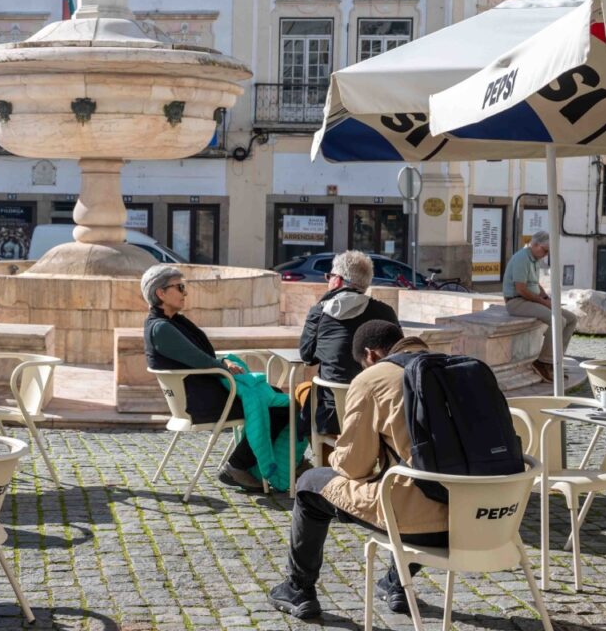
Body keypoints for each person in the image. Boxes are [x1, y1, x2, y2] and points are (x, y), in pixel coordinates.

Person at [269, 321, 447, 620]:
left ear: (371, 355)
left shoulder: (375, 379)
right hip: (489, 519)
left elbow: (355, 467)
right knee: (417, 480)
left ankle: (298, 588)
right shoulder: (455, 369)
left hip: (427, 526)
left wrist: (342, 450)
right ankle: (396, 584)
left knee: (310, 483)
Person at [141, 264, 295, 492]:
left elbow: (201, 356)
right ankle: (240, 466)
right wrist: (223, 363)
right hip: (200, 403)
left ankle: (269, 465)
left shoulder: (172, 322)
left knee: (275, 395)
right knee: (281, 407)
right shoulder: (162, 328)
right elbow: (200, 359)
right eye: (180, 287)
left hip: (202, 393)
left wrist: (222, 363)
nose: (185, 292)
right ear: (160, 293)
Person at [299, 250, 398, 439]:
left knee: (302, 392)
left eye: (329, 276)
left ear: (337, 280)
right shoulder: (386, 312)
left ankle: (315, 462)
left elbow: (307, 356)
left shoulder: (320, 312)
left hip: (332, 413)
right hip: (379, 413)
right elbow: (399, 357)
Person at [502, 230, 577, 383]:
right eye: (544, 250)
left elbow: (535, 285)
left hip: (530, 300)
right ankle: (543, 361)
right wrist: (544, 303)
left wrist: (547, 299)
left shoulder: (534, 260)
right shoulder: (522, 258)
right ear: (535, 245)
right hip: (516, 302)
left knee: (571, 319)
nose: (545, 254)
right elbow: (521, 289)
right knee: (558, 320)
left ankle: (555, 360)